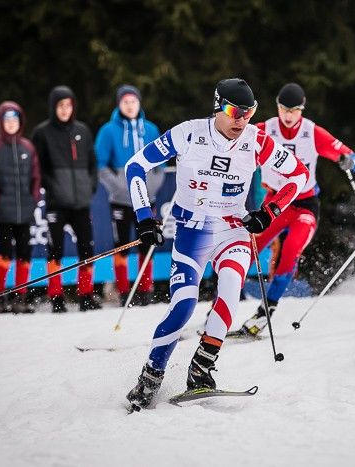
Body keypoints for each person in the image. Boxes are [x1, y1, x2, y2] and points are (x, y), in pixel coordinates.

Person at [124, 78, 309, 410]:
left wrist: (269, 212)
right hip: (192, 231)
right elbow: (135, 166)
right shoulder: (188, 133)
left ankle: (201, 369)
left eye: (249, 112)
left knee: (230, 289)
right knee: (184, 305)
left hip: (233, 230)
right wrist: (144, 217)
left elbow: (299, 175)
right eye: (235, 112)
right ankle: (151, 375)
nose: (242, 120)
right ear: (217, 107)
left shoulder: (256, 140)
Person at [233, 82, 355, 337]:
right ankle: (220, 306)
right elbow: (234, 141)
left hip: (305, 205)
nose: (288, 115)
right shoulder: (265, 129)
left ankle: (265, 312)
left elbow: (352, 157)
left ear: (301, 110)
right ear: (277, 107)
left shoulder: (311, 132)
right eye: (284, 109)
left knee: (291, 249)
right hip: (275, 202)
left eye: (294, 110)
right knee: (248, 248)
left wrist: (349, 161)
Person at [31, 85, 101, 312]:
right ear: (53, 107)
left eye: (68, 105)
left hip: (81, 202)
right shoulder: (42, 133)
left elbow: (93, 163)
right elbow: (37, 167)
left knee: (87, 248)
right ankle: (56, 297)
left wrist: (89, 186)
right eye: (60, 105)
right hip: (56, 203)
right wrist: (51, 187)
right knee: (55, 250)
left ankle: (86, 295)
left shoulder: (83, 130)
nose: (64, 109)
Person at [95, 84, 163, 306]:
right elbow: (100, 164)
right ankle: (124, 290)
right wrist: (119, 186)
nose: (130, 106)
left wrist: (151, 187)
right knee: (122, 244)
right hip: (121, 200)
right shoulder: (108, 131)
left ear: (139, 103)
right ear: (119, 104)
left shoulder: (150, 129)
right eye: (126, 102)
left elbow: (161, 165)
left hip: (147, 200)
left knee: (147, 243)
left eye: (134, 101)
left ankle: (145, 289)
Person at [0, 101, 41, 313]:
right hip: (3, 213)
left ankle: (20, 297)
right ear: (0, 122)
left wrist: (33, 200)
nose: (11, 123)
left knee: (25, 253)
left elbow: (36, 177)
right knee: (4, 252)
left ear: (20, 121)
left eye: (15, 119)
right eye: (7, 119)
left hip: (25, 212)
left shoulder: (28, 147)